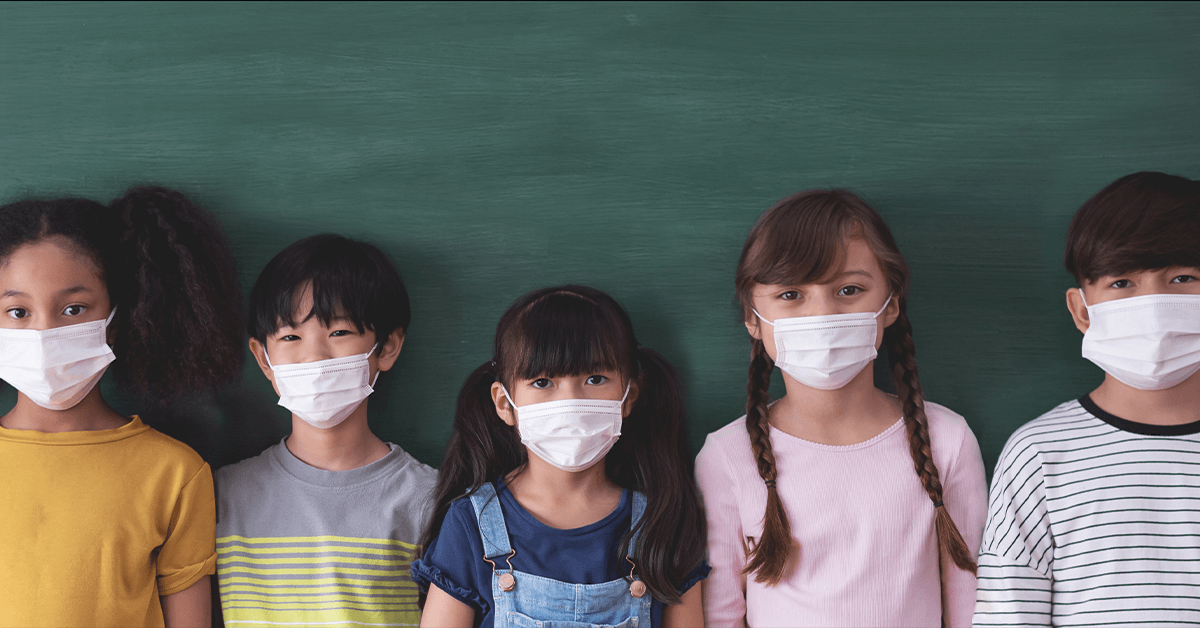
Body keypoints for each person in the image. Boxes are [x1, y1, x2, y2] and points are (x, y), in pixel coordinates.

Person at [696, 189, 988, 627]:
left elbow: (970, 607)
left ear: (890, 304)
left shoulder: (947, 439)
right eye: (791, 294)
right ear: (753, 318)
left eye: (849, 289)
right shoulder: (727, 456)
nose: (823, 314)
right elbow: (721, 615)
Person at [0, 187, 244, 628]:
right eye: (17, 312)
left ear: (117, 318)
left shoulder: (173, 472)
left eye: (74, 309)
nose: (44, 332)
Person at [973, 172, 1200, 626]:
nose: (1153, 303)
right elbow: (1010, 614)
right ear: (1081, 310)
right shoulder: (1039, 454)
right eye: (1122, 283)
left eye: (1182, 277)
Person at [412, 285, 708, 628]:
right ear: (505, 403)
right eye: (542, 382)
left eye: (595, 379)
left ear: (628, 397)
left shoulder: (665, 520)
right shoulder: (471, 524)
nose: (569, 403)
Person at [215, 234, 437, 626]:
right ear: (264, 360)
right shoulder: (223, 494)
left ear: (386, 347)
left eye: (338, 333)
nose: (314, 356)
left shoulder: (428, 498)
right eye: (290, 337)